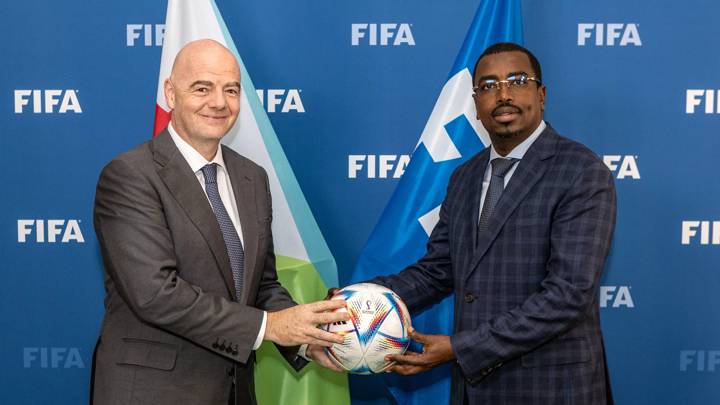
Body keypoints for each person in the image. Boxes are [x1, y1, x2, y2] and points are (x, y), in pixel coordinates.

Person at [90, 39, 347, 405]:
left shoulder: (252, 177)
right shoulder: (130, 176)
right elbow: (155, 294)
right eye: (202, 88)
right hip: (152, 392)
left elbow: (262, 285)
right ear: (171, 93)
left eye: (231, 90)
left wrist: (305, 339)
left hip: (235, 391)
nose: (219, 102)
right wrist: (270, 327)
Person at [369, 42, 617, 404]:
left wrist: (460, 348)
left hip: (552, 388)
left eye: (517, 81)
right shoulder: (464, 177)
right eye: (488, 85)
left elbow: (568, 296)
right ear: (475, 102)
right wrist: (359, 300)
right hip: (475, 390)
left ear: (542, 94)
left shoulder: (581, 171)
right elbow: (439, 271)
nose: (503, 94)